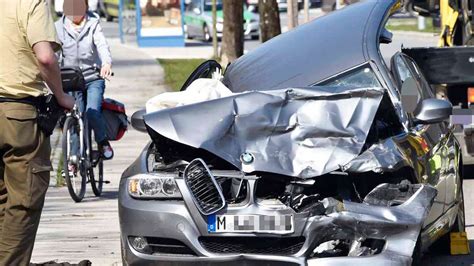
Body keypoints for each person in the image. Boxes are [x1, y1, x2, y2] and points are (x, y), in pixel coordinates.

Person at [0, 0, 75, 264]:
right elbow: (44, 56)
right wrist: (61, 94)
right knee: (24, 200)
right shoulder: (30, 2)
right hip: (17, 113)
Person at [56, 0, 114, 159]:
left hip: (93, 76)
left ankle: (103, 142)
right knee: (75, 115)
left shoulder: (93, 23)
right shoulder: (58, 27)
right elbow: (54, 53)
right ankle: (73, 157)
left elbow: (102, 44)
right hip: (72, 79)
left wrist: (106, 63)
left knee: (92, 112)